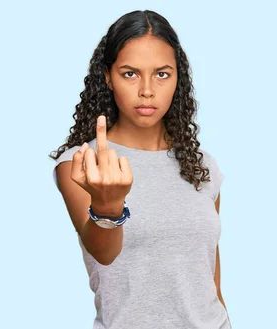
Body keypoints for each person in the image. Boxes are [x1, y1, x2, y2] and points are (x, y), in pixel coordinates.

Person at [49, 10, 231, 329]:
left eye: (161, 74)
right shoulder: (81, 164)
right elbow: (104, 254)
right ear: (108, 76)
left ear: (178, 78)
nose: (147, 90)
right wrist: (108, 205)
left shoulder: (202, 165)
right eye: (130, 73)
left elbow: (209, 278)